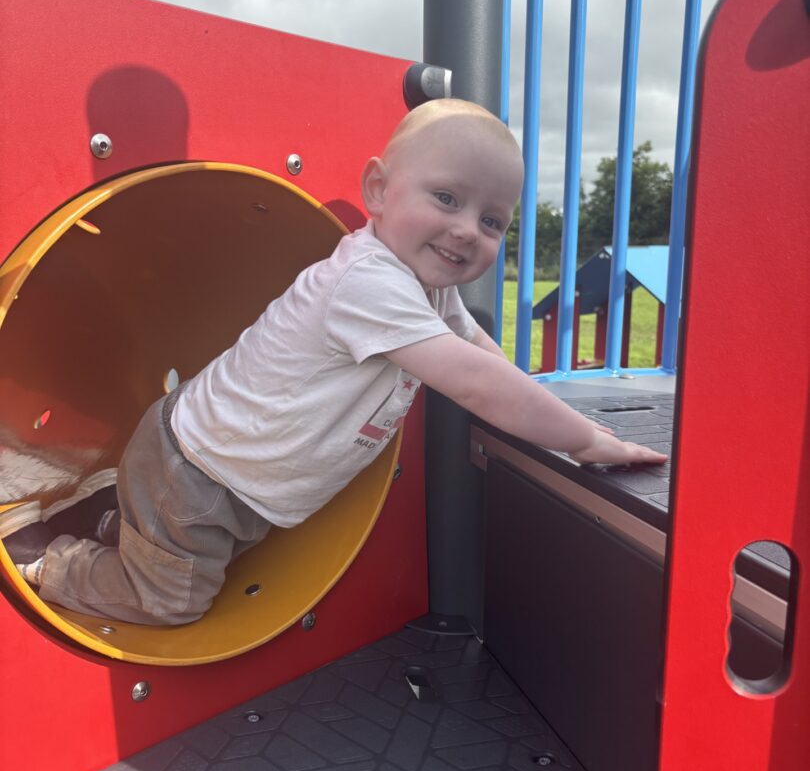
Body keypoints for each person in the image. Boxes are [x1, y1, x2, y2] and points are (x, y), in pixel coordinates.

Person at [0, 98, 666, 625]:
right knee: (173, 603)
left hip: (239, 483)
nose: (468, 229)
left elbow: (477, 352)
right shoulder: (367, 281)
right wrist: (582, 441)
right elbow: (475, 383)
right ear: (377, 189)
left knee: (199, 556)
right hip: (195, 472)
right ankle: (45, 559)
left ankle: (113, 513)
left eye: (493, 221)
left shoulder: (429, 287)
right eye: (446, 199)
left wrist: (572, 421)